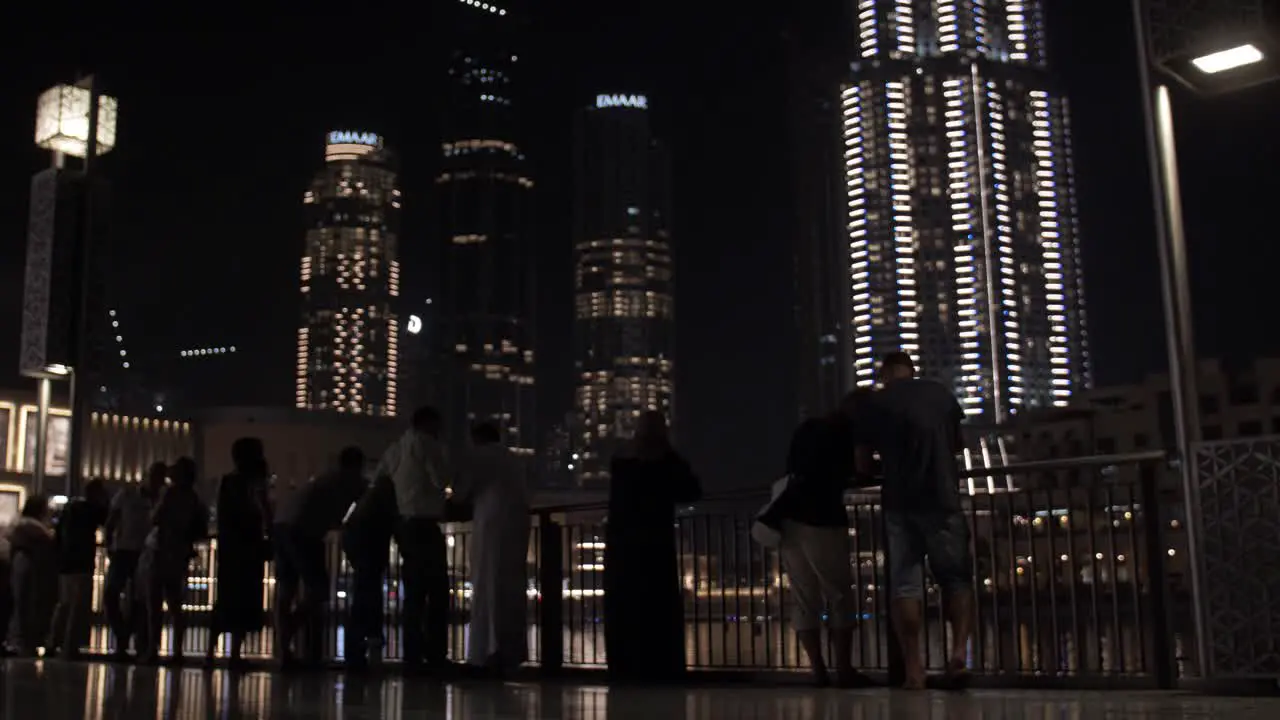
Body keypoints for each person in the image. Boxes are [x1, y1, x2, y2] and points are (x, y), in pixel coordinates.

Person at [856, 351, 973, 690]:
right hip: (943, 497)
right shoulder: (940, 393)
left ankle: (914, 670)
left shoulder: (875, 404)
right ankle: (958, 657)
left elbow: (862, 463)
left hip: (899, 502)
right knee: (955, 579)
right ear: (912, 371)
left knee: (905, 584)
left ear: (885, 374)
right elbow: (957, 445)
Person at [776, 390, 874, 687]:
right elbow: (863, 471)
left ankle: (817, 670)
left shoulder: (807, 428)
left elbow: (790, 468)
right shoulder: (849, 433)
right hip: (824, 518)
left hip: (790, 519)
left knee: (804, 598)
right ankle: (844, 669)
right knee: (839, 593)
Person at [603, 411, 702, 681]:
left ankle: (624, 668)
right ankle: (659, 667)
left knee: (623, 608)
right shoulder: (667, 460)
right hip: (655, 544)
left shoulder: (620, 461)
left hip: (621, 545)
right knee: (657, 609)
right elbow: (692, 490)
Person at [273, 446, 368, 668]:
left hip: (282, 524)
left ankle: (284, 649)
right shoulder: (352, 483)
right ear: (358, 465)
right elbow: (366, 507)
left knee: (287, 589)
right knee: (318, 590)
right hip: (305, 531)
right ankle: (289, 633)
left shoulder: (326, 479)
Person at [376, 406, 452, 670]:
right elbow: (441, 479)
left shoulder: (395, 448)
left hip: (404, 525)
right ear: (430, 424)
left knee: (414, 593)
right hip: (424, 523)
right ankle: (436, 654)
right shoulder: (426, 443)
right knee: (438, 591)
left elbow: (380, 480)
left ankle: (412, 653)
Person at [455, 422, 529, 673]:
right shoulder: (511, 458)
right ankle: (509, 651)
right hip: (516, 526)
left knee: (487, 586)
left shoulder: (481, 456)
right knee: (508, 587)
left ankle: (486, 653)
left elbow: (462, 492)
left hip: (491, 523)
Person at [206, 437, 271, 668]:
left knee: (226, 598)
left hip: (230, 547)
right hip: (248, 547)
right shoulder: (253, 483)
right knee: (245, 599)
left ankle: (210, 654)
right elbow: (262, 510)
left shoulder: (227, 482)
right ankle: (234, 654)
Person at [139, 457, 208, 664]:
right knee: (176, 605)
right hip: (179, 553)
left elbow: (155, 518)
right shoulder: (194, 498)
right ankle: (177, 650)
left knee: (154, 604)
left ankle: (153, 649)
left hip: (160, 551)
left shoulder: (169, 493)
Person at [104, 462, 166, 659]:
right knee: (112, 594)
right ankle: (126, 636)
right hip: (124, 551)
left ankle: (129, 641)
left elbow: (111, 520)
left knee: (139, 600)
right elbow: (111, 520)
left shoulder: (161, 499)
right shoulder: (128, 494)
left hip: (145, 553)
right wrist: (109, 544)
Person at [48, 478, 110, 658]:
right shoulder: (91, 510)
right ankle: (70, 646)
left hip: (66, 562)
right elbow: (105, 518)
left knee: (64, 604)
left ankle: (53, 642)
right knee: (78, 606)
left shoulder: (70, 509)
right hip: (82, 563)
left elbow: (59, 534)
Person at [342, 471, 397, 671]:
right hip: (369, 559)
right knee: (368, 601)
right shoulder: (382, 508)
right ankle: (367, 647)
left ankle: (356, 653)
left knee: (362, 602)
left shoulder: (365, 507)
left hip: (362, 557)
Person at [5, 496, 57, 656]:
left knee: (20, 601)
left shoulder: (19, 523)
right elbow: (49, 541)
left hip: (19, 563)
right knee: (26, 601)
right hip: (30, 565)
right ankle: (23, 641)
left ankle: (17, 640)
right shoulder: (33, 526)